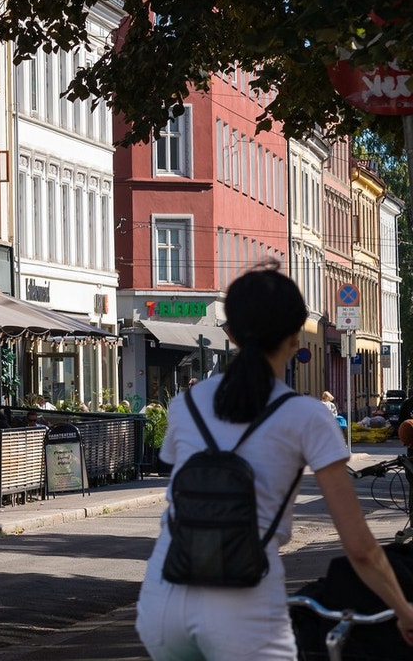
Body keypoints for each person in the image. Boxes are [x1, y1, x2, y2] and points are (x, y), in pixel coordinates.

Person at [135, 266, 413, 659]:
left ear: (230, 334)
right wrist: (404, 611)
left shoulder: (186, 405)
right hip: (241, 609)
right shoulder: (308, 416)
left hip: (162, 602)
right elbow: (361, 548)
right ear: (296, 336)